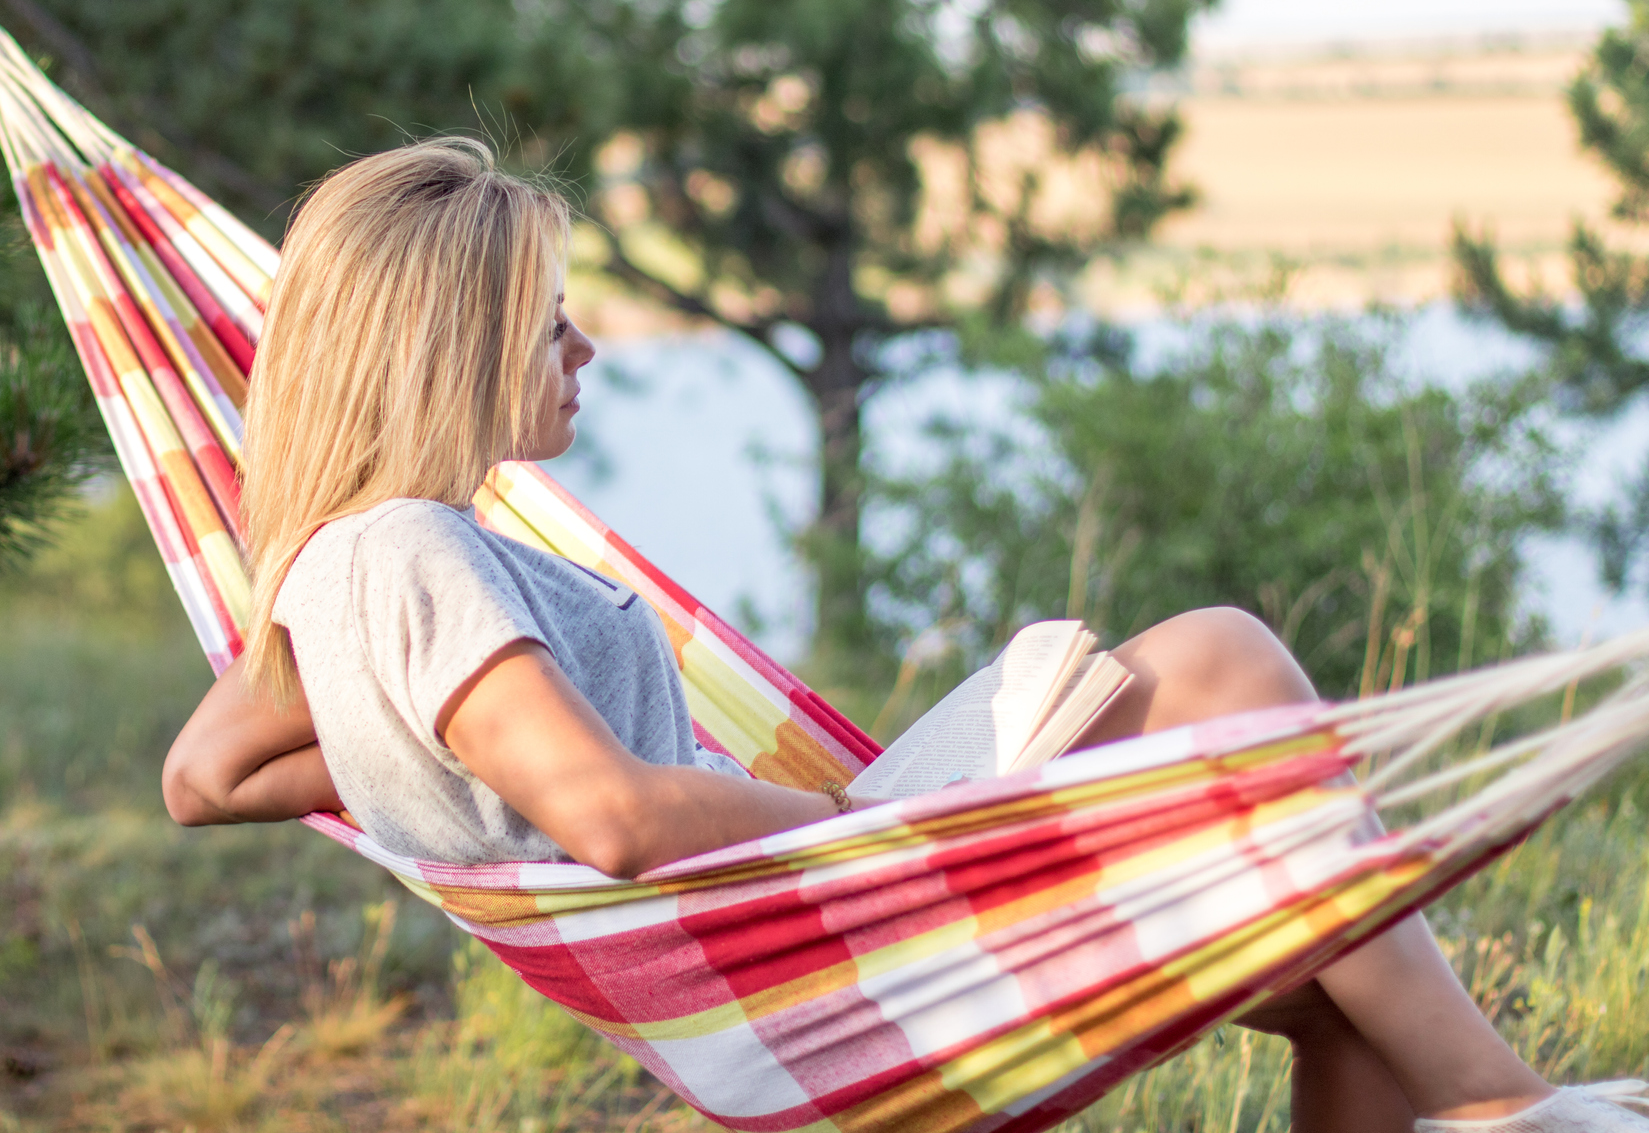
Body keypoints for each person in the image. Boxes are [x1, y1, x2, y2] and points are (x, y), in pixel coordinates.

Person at [163, 138, 1647, 1133]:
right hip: (799, 915)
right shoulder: (405, 548)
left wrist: (393, 744)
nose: (586, 349)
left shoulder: (364, 565)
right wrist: (860, 831)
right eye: (552, 322)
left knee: (1328, 971)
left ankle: (1474, 1102)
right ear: (449, 345)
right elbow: (610, 813)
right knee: (1220, 654)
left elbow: (205, 775)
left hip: (772, 927)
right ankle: (1510, 1110)